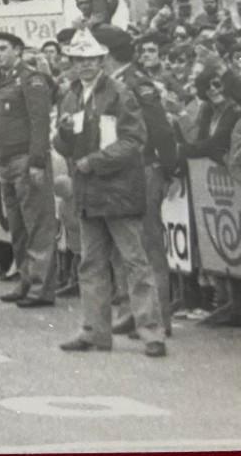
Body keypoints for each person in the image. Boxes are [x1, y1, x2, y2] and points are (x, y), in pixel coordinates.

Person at [55, 30, 167, 357]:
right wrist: (63, 133)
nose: (86, 65)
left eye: (91, 59)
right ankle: (95, 331)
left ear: (102, 60)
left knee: (135, 262)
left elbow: (134, 140)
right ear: (72, 63)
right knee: (91, 263)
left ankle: (151, 332)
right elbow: (64, 145)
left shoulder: (120, 93)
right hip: (88, 190)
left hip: (118, 188)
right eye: (79, 60)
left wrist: (96, 161)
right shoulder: (70, 96)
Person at [92, 25, 178, 337]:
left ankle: (158, 318)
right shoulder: (106, 84)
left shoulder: (137, 83)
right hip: (116, 171)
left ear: (108, 53)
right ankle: (132, 311)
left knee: (147, 245)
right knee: (121, 246)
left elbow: (161, 129)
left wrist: (168, 170)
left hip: (141, 169)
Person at [0, 31, 57, 307]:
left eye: (3, 48)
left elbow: (40, 122)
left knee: (37, 225)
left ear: (17, 50)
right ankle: (26, 280)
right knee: (18, 228)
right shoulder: (1, 80)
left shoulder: (30, 78)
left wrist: (37, 161)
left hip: (25, 158)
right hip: (6, 159)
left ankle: (41, 288)